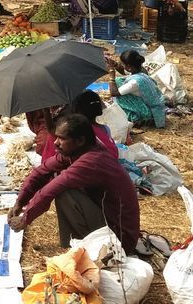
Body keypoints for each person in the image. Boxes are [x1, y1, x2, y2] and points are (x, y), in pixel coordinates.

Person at [9, 113, 141, 251]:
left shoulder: (92, 160)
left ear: (80, 141)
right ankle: (75, 244)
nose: (55, 142)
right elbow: (41, 171)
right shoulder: (79, 150)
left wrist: (25, 218)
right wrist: (20, 202)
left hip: (120, 239)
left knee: (65, 192)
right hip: (109, 221)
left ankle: (88, 247)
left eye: (62, 138)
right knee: (60, 183)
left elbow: (50, 190)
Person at [41, 91, 120, 159]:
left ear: (77, 110)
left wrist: (46, 111)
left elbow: (52, 130)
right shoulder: (105, 129)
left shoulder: (77, 130)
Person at [108, 50, 167, 128]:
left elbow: (113, 93)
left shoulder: (134, 82)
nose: (121, 65)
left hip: (149, 112)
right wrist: (114, 64)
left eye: (122, 64)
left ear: (129, 66)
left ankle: (136, 118)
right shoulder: (141, 70)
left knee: (118, 94)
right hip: (156, 107)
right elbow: (124, 71)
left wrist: (111, 74)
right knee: (119, 81)